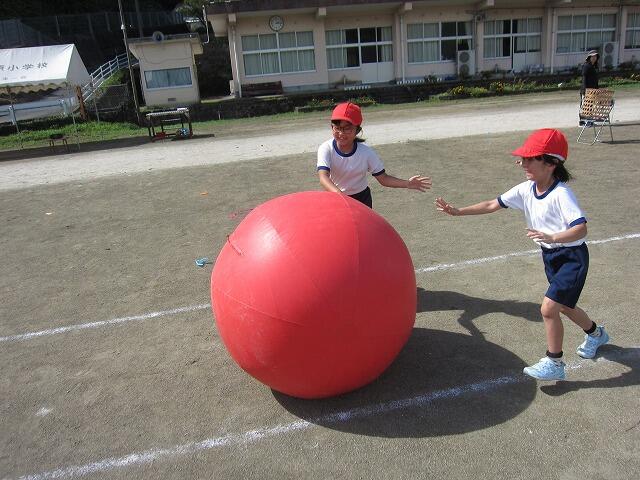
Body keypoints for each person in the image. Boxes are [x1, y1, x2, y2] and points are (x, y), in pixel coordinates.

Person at [435, 128, 609, 381]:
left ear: (551, 163)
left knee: (548, 309)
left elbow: (580, 228)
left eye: (530, 159)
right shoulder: (526, 189)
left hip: (572, 258)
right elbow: (492, 204)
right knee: (565, 307)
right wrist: (458, 211)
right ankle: (596, 334)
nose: (522, 163)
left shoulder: (561, 194)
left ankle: (554, 362)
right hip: (551, 257)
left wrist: (553, 237)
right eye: (522, 158)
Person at [317, 102, 431, 208]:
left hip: (361, 199)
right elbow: (323, 177)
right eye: (337, 128)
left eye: (347, 129)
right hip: (336, 197)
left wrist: (407, 183)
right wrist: (341, 196)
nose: (341, 133)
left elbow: (383, 178)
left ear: (357, 130)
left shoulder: (366, 152)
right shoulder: (326, 148)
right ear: (332, 127)